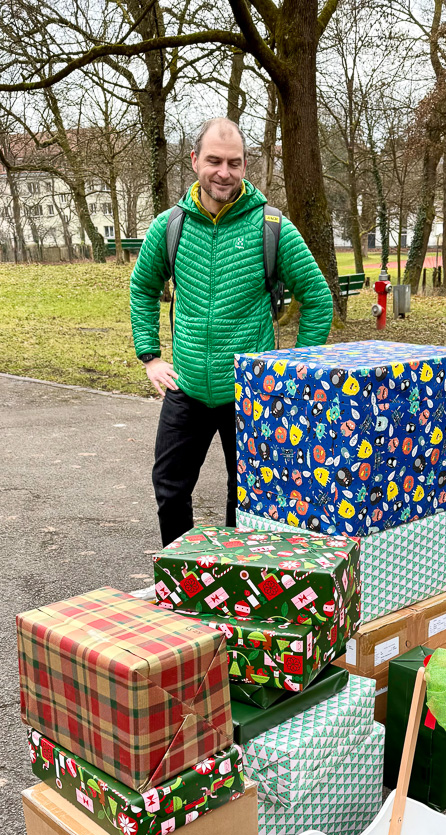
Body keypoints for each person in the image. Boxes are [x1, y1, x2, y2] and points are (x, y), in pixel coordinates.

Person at [129, 117, 333, 547]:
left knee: (245, 497)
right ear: (194, 161)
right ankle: (182, 573)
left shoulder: (272, 227)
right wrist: (151, 357)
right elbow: (143, 287)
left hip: (251, 392)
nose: (224, 172)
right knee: (169, 488)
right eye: (214, 161)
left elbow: (317, 298)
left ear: (245, 165)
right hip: (186, 386)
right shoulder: (170, 226)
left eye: (234, 163)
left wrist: (294, 369)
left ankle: (237, 577)